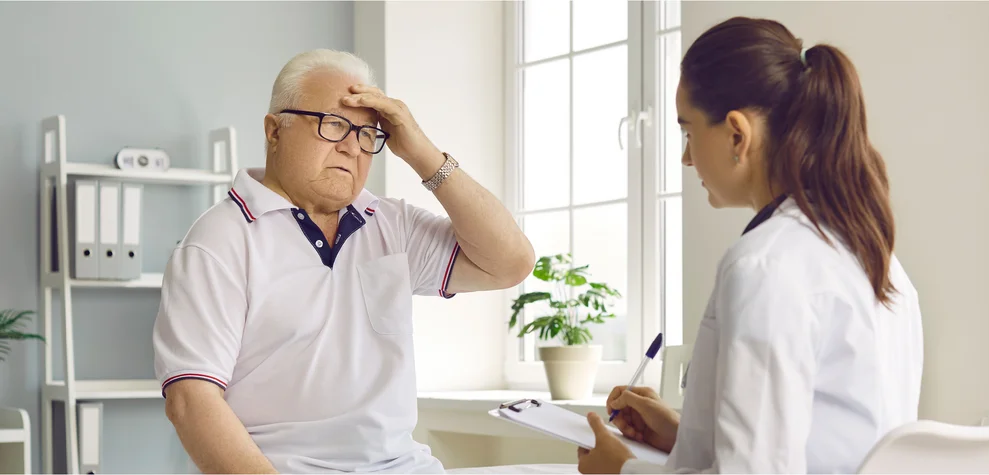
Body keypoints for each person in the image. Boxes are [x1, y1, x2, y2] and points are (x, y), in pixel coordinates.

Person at [152, 49, 535, 473]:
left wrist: (422, 153)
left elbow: (510, 264)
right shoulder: (218, 241)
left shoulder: (392, 225)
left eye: (369, 135)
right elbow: (191, 402)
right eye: (334, 125)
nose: (353, 147)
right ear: (274, 131)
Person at [576, 17, 924, 474]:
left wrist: (621, 470)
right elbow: (814, 445)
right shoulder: (880, 262)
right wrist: (685, 435)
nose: (685, 157)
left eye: (688, 131)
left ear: (737, 135)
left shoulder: (766, 265)